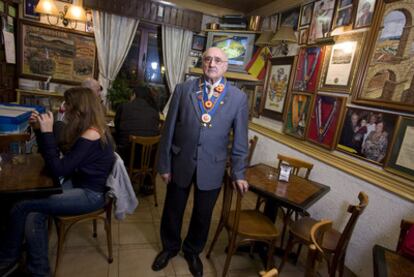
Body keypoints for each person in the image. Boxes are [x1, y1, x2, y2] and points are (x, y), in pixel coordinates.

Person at [151, 47, 249, 277]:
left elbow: (241, 141)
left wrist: (239, 173)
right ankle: (170, 247)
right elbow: (169, 130)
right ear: (202, 63)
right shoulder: (184, 90)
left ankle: (192, 251)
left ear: (226, 66)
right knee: (173, 209)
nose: (212, 63)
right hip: (181, 161)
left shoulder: (238, 98)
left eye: (217, 60)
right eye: (207, 59)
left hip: (213, 166)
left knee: (203, 214)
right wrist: (164, 165)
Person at [0, 87, 115, 277]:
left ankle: (8, 259)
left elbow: (59, 169)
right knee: (33, 212)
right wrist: (40, 131)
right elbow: (57, 157)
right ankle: (38, 269)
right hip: (79, 184)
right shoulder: (88, 129)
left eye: (67, 105)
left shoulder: (91, 134)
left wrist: (46, 133)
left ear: (79, 109)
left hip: (90, 194)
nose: (64, 110)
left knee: (21, 205)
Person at [114, 84, 160, 161]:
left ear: (134, 95)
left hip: (125, 157)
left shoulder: (123, 107)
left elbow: (117, 128)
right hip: (148, 159)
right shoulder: (154, 111)